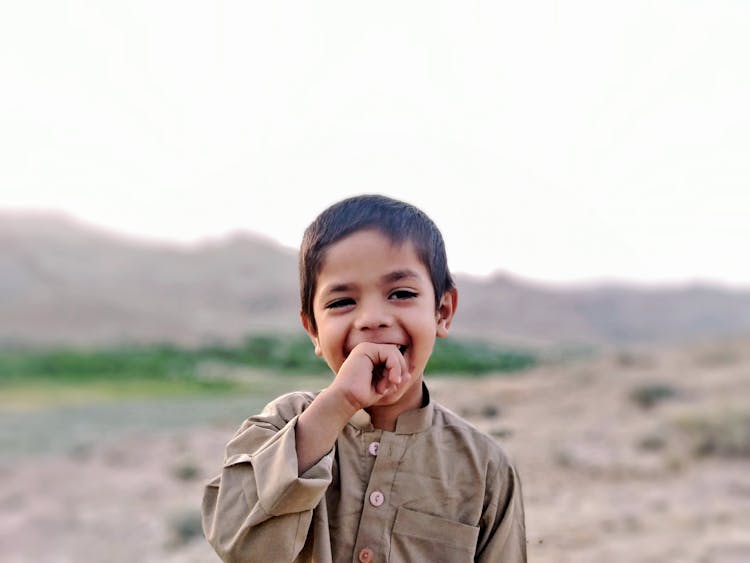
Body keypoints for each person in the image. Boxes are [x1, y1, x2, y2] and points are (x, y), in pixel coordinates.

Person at [201, 195, 526, 562]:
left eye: (401, 294)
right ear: (313, 331)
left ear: (442, 312)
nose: (372, 318)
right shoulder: (278, 427)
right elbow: (233, 540)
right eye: (342, 302)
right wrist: (338, 403)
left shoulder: (484, 467)